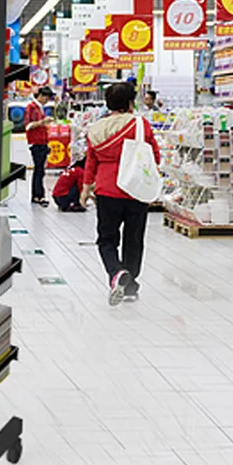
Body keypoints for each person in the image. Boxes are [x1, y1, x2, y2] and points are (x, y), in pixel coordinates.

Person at [81, 81, 161, 305]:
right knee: (133, 239)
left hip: (107, 190)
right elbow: (154, 154)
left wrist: (86, 187)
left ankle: (116, 273)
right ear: (130, 103)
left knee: (107, 239)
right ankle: (130, 285)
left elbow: (90, 161)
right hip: (136, 189)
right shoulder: (140, 124)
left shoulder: (96, 129)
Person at [24, 86, 53, 207]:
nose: (46, 101)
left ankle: (38, 195)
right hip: (36, 143)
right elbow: (28, 126)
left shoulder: (40, 108)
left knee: (40, 170)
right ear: (40, 96)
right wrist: (42, 122)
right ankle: (38, 196)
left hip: (42, 142)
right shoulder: (31, 107)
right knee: (39, 170)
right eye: (46, 98)